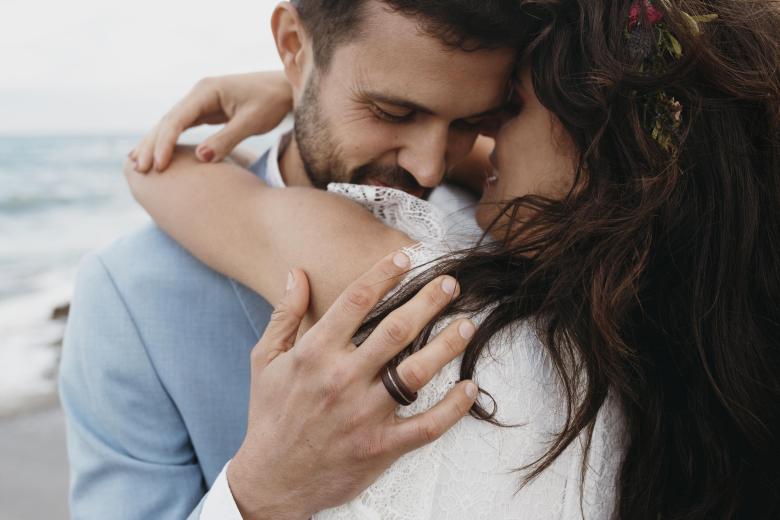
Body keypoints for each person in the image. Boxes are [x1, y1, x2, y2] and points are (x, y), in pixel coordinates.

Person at [126, 0, 780, 518]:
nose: (444, 161)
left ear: (598, 149)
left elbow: (161, 169)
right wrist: (311, 78)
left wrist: (313, 84)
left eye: (503, 110)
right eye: (394, 110)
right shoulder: (683, 342)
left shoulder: (431, 296)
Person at [59, 1, 524, 518]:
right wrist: (264, 493)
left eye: (469, 123)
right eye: (393, 112)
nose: (430, 167)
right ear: (293, 47)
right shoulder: (128, 295)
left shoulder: (503, 229)